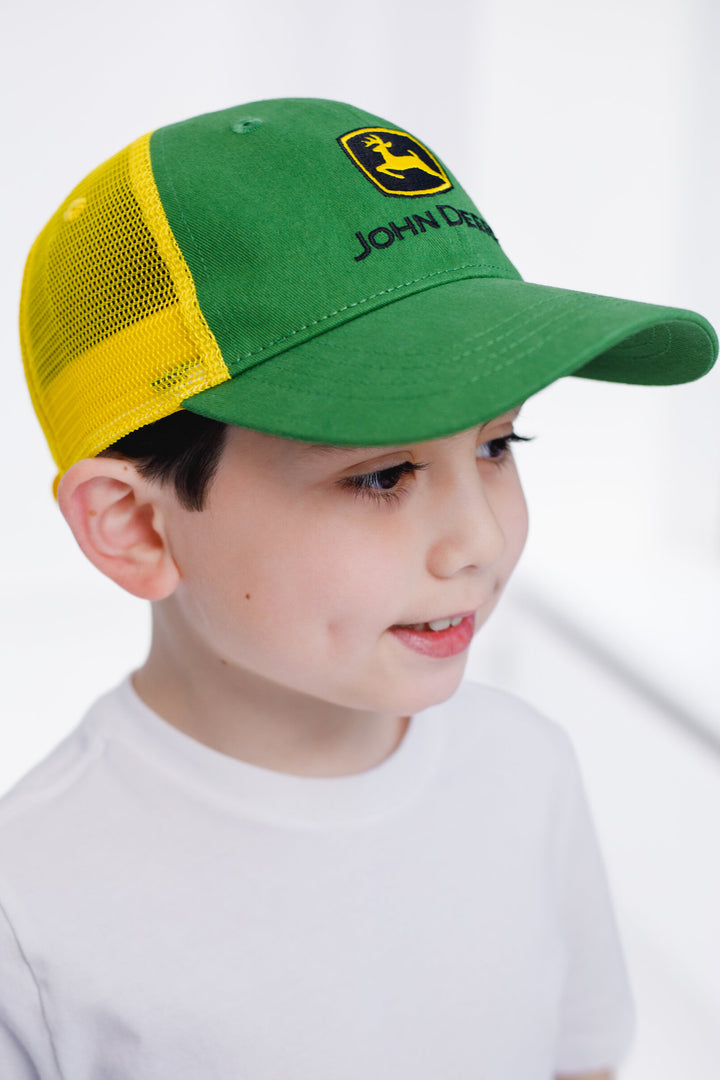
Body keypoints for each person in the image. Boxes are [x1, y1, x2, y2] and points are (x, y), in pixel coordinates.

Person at [1, 97, 716, 1080]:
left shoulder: (526, 770)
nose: (480, 540)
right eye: (382, 475)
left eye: (498, 444)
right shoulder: (33, 914)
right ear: (136, 524)